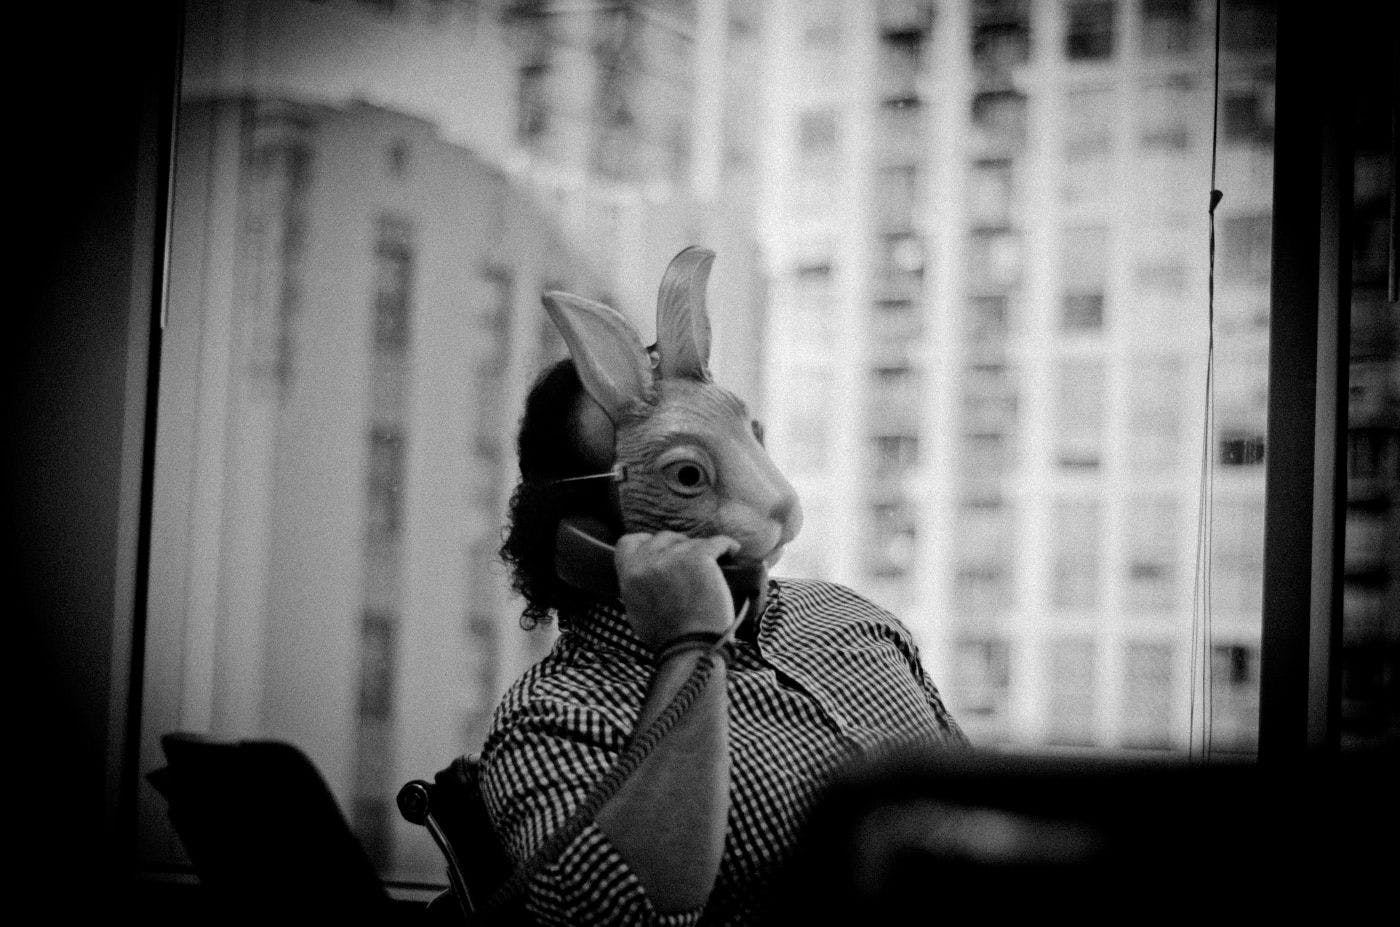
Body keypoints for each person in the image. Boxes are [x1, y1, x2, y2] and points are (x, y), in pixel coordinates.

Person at [478, 252, 964, 926]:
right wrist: (690, 647)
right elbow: (622, 925)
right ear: (585, 533)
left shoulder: (851, 619)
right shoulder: (551, 719)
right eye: (688, 475)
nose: (779, 499)